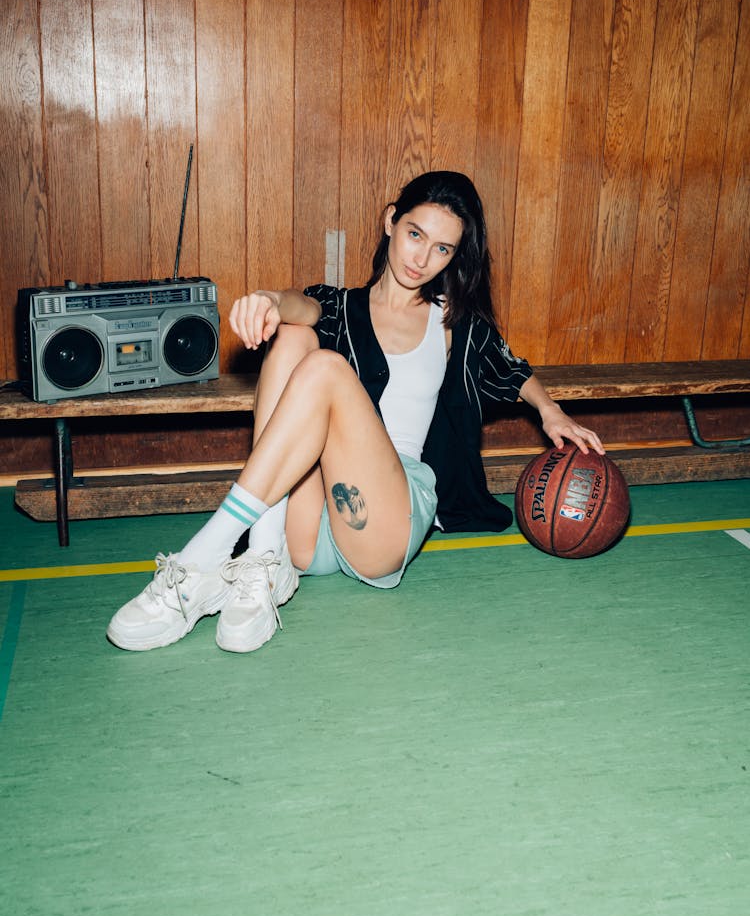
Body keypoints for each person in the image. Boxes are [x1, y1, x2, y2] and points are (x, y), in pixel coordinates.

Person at [106, 171, 604, 654]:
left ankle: (200, 560)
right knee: (297, 336)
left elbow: (511, 367)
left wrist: (551, 411)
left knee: (325, 366)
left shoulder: (453, 323)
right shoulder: (340, 307)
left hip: (388, 517)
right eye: (415, 234)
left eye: (442, 249)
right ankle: (262, 562)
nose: (422, 258)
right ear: (390, 221)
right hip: (311, 522)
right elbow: (300, 308)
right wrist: (268, 300)